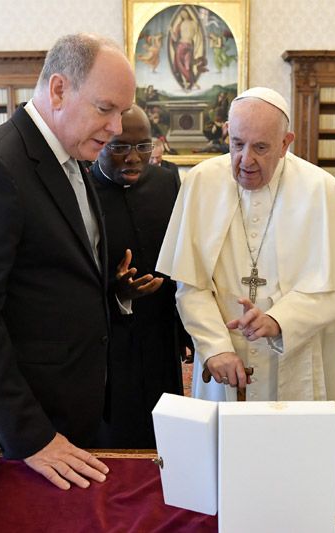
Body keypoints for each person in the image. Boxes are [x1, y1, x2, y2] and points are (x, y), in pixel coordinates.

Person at [0, 33, 138, 490]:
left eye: (122, 112)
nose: (117, 127)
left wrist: (113, 288)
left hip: (63, 407)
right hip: (10, 430)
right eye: (106, 108)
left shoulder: (70, 158)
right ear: (59, 90)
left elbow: (52, 271)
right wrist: (30, 437)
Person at [157, 87, 335, 402]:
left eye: (260, 147)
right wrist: (215, 347)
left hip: (300, 357)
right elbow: (190, 285)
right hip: (225, 358)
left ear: (286, 143)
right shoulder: (201, 183)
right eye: (237, 144)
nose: (246, 161)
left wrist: (278, 320)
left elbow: (333, 295)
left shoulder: (321, 190)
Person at [89, 104, 190, 448]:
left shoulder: (168, 182)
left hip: (161, 322)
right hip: (109, 327)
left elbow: (181, 254)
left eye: (143, 146)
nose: (133, 158)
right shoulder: (84, 190)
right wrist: (118, 291)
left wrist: (184, 328)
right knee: (120, 419)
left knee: (165, 413)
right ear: (100, 144)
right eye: (119, 148)